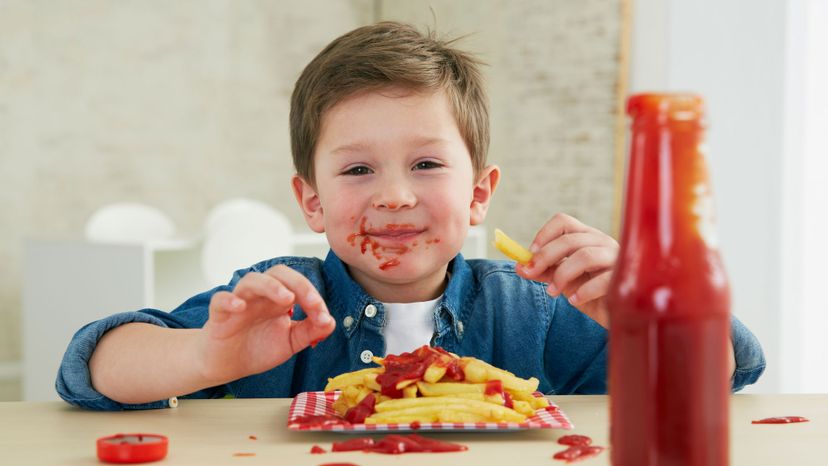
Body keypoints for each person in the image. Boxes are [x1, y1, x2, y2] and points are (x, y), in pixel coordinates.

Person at [57, 22, 765, 410]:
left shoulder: (538, 311)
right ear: (311, 201)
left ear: (480, 193)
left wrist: (652, 309)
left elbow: (715, 376)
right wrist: (206, 357)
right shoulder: (273, 302)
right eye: (358, 170)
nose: (394, 196)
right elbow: (91, 368)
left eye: (426, 165)